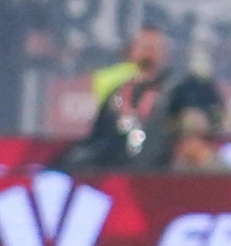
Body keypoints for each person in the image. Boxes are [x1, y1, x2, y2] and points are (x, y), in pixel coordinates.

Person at [67, 23, 175, 168]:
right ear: (130, 51)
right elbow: (99, 138)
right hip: (117, 173)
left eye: (154, 48)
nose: (148, 53)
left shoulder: (175, 91)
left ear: (165, 54)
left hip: (159, 173)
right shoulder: (116, 95)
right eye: (143, 47)